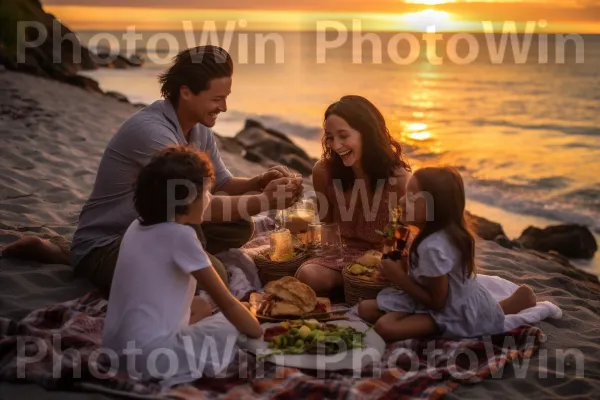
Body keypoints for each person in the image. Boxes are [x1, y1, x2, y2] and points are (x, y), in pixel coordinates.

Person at [3, 45, 303, 294]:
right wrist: (264, 201)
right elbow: (196, 206)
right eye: (217, 98)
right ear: (186, 92)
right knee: (213, 278)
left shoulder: (198, 130)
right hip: (113, 241)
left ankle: (67, 254)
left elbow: (222, 184)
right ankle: (80, 260)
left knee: (239, 225)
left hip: (156, 229)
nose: (223, 107)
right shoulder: (153, 133)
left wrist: (260, 180)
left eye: (226, 98)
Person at [102, 146, 262, 383]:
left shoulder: (136, 227)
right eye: (206, 192)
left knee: (201, 305)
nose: (209, 198)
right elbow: (227, 303)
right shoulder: (182, 237)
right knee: (234, 321)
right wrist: (256, 323)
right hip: (152, 360)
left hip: (114, 349)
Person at [358, 166, 537, 342]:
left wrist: (399, 278)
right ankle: (491, 310)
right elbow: (424, 277)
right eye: (406, 194)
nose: (403, 201)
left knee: (385, 327)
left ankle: (503, 308)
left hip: (451, 311)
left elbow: (438, 303)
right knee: (365, 309)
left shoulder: (432, 247)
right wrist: (401, 266)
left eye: (413, 198)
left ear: (436, 208)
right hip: (443, 299)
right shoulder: (433, 235)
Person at [295, 95, 412, 296]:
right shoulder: (323, 172)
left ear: (367, 133)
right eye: (330, 137)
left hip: (385, 261)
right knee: (308, 274)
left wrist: (384, 265)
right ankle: (354, 288)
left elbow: (406, 238)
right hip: (341, 256)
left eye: (344, 135)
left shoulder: (399, 179)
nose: (336, 145)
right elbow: (327, 227)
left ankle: (359, 289)